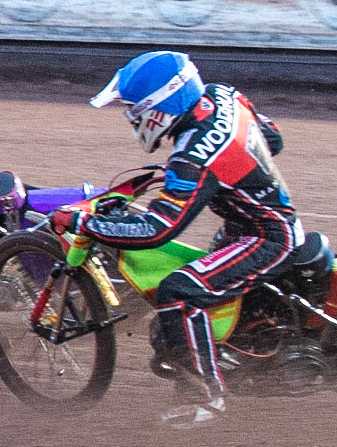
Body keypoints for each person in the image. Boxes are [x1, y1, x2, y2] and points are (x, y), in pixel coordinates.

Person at [50, 50, 301, 427]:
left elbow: (158, 229)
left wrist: (85, 224)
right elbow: (273, 139)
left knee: (178, 292)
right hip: (252, 224)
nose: (131, 117)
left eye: (133, 109)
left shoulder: (192, 157)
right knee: (190, 301)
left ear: (159, 109)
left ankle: (206, 398)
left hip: (265, 237)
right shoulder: (221, 95)